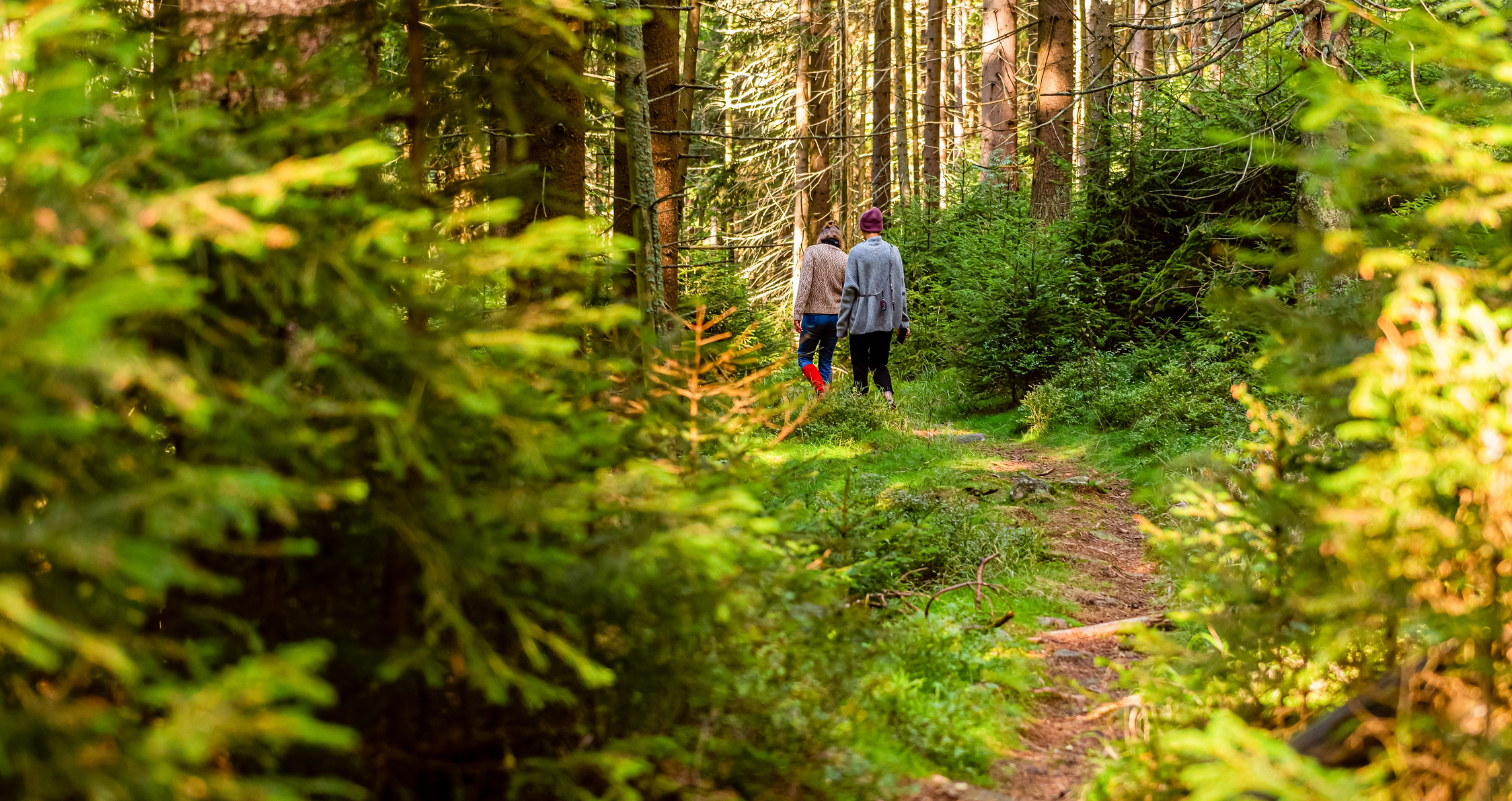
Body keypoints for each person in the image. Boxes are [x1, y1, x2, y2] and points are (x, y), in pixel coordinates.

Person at [837, 207, 910, 407]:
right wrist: (903, 321)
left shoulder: (856, 252)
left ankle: (860, 407)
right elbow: (900, 289)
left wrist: (841, 326)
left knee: (860, 366)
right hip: (885, 319)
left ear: (863, 228)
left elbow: (849, 291)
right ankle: (889, 398)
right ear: (880, 227)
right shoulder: (893, 251)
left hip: (860, 320)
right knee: (879, 364)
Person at [792, 223, 848, 395]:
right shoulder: (845, 258)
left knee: (804, 357)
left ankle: (819, 387)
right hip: (836, 318)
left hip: (813, 316)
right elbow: (849, 292)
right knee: (826, 360)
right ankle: (824, 400)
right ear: (839, 239)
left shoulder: (812, 252)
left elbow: (804, 284)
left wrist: (797, 313)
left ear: (822, 237)